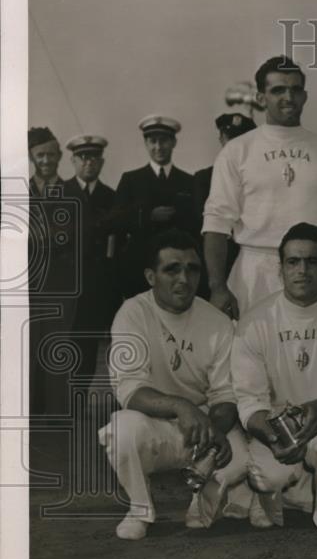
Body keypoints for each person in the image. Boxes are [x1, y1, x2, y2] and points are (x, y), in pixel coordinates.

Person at [98, 229, 249, 540]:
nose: (184, 279)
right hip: (155, 424)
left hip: (204, 426)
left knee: (241, 462)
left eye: (192, 269)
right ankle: (140, 509)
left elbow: (225, 394)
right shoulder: (132, 313)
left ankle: (203, 500)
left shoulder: (218, 322)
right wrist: (182, 406)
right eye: (172, 269)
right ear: (151, 276)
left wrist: (214, 429)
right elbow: (130, 389)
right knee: (120, 430)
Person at [202, 56, 317, 319]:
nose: (288, 97)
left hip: (310, 269)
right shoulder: (237, 150)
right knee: (251, 353)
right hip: (255, 272)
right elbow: (217, 223)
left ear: (305, 96)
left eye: (295, 89)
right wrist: (217, 286)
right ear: (261, 98)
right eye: (278, 90)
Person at [231, 223, 317, 533]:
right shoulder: (255, 320)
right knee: (267, 476)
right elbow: (250, 398)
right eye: (293, 262)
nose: (302, 270)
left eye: (312, 262)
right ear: (281, 269)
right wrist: (275, 437)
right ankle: (272, 496)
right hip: (279, 423)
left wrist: (316, 409)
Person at [112, 115, 199, 299]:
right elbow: (116, 221)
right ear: (145, 143)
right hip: (139, 268)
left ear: (174, 142)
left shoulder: (189, 182)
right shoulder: (131, 180)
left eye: (164, 140)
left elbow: (196, 224)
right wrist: (147, 216)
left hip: (177, 270)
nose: (158, 147)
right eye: (153, 141)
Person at [63, 134, 120, 387]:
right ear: (73, 160)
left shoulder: (112, 197)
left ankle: (78, 404)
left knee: (86, 352)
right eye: (83, 157)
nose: (89, 162)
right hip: (65, 289)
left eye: (94, 157)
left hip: (97, 290)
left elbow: (118, 244)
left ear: (102, 161)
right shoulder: (60, 193)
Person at [27, 127, 77, 414]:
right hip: (29, 286)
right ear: (32, 157)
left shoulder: (72, 192)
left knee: (57, 346)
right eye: (40, 155)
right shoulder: (20, 191)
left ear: (60, 156)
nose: (46, 160)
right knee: (29, 344)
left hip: (61, 285)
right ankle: (31, 408)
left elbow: (74, 234)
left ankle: (56, 413)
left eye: (51, 154)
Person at [192, 113, 258, 297]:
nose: (234, 145)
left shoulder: (260, 178)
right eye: (230, 138)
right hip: (217, 262)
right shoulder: (204, 178)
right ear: (221, 139)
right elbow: (202, 220)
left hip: (251, 263)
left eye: (241, 139)